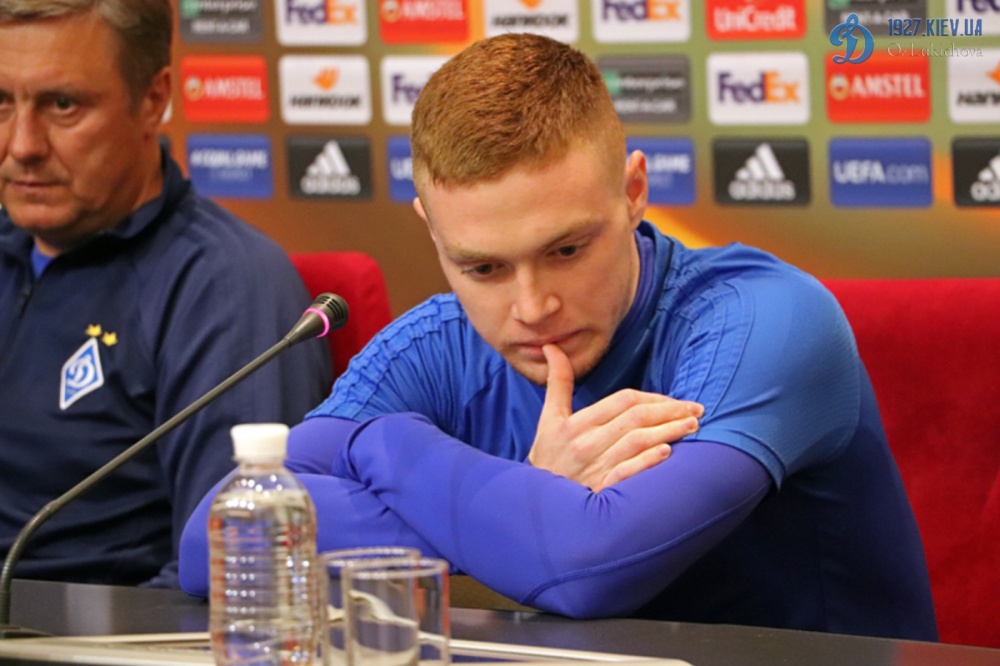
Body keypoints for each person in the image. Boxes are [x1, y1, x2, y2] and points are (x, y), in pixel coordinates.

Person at [180, 34, 937, 640]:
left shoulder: (763, 321)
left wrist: (382, 444)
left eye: (567, 250)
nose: (533, 306)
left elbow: (591, 566)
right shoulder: (433, 347)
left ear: (634, 192)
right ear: (432, 233)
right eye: (482, 267)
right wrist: (534, 497)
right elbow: (217, 537)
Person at [0, 0, 331, 588]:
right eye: (1, 102)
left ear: (153, 99)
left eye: (63, 104)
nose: (23, 144)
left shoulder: (225, 287)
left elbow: (235, 577)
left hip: (86, 630)